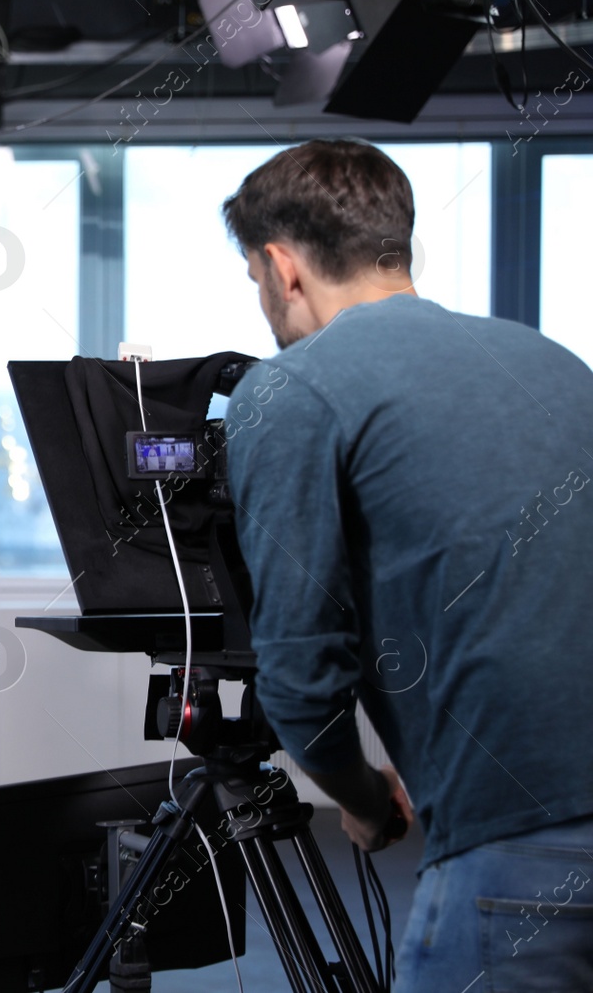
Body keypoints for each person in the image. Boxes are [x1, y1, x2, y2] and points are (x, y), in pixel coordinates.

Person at [220, 138, 593, 990]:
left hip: (513, 847)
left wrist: (359, 797)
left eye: (253, 281)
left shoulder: (293, 389)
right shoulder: (554, 362)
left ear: (282, 267)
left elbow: (303, 681)